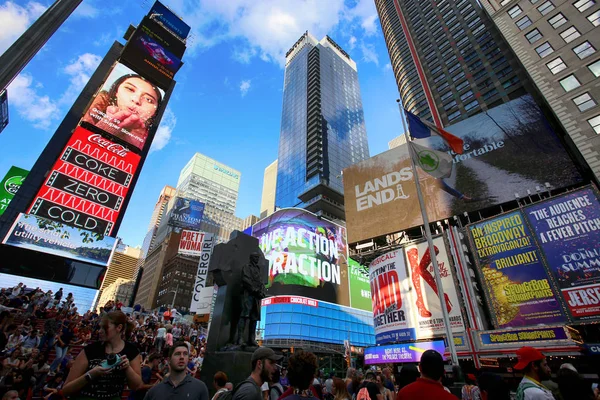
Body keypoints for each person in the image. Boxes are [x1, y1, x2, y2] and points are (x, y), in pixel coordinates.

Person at [61, 311, 143, 399]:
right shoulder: (90, 350)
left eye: (104, 328)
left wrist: (127, 368)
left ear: (119, 328)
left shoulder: (131, 351)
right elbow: (66, 390)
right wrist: (91, 374)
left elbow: (136, 386)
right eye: (100, 327)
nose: (99, 331)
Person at [81, 73, 162, 148]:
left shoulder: (152, 139)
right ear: (116, 91)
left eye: (149, 100)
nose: (136, 100)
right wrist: (106, 129)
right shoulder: (98, 102)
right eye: (130, 89)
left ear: (154, 113)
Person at [143, 342, 209, 400]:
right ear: (169, 360)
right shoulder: (154, 392)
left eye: (185, 354)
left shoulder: (200, 388)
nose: (182, 357)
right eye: (177, 354)